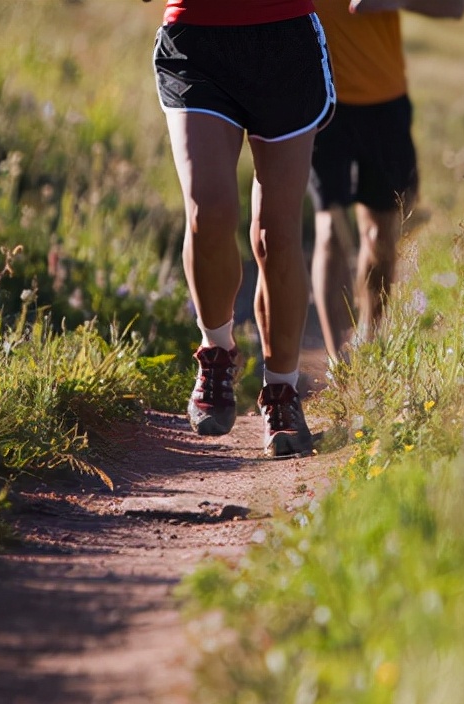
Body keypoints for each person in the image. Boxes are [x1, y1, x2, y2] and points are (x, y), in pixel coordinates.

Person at [151, 0, 335, 458]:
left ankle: (282, 393)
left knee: (274, 232)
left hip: (284, 40)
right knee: (206, 212)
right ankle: (215, 351)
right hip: (197, 40)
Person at [308, 0, 464, 361]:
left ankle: (369, 338)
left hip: (385, 104)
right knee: (330, 230)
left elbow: (455, 7)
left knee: (381, 236)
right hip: (321, 101)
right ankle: (338, 361)